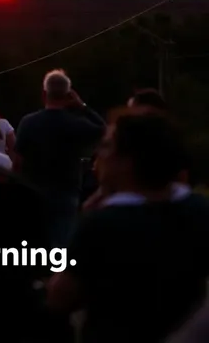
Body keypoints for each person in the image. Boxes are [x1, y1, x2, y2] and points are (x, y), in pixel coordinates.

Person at [46, 108, 209, 343]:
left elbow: (60, 298)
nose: (97, 155)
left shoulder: (105, 225)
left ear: (127, 161)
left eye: (106, 146)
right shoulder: (198, 209)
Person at [13, 69, 105, 248]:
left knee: (33, 245)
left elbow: (17, 161)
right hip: (66, 191)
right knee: (62, 244)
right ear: (68, 95)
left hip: (33, 191)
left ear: (44, 94)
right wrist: (83, 107)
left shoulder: (28, 123)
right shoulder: (75, 124)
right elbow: (102, 129)